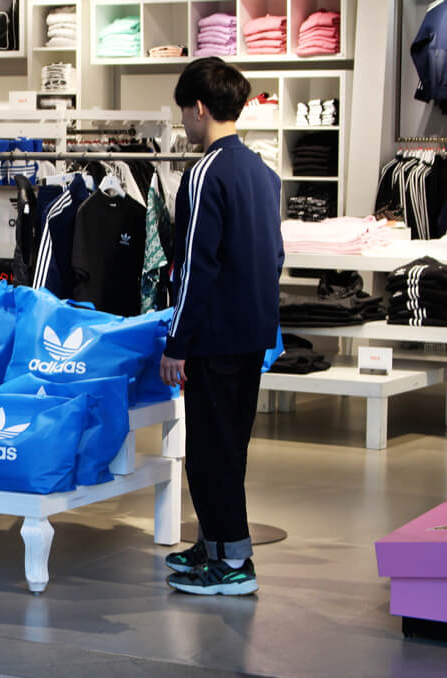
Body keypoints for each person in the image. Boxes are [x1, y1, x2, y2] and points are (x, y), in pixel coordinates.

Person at [159, 57, 284, 596]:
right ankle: (215, 544)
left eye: (183, 111)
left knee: (211, 450)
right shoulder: (263, 173)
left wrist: (176, 342)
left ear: (199, 108)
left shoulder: (204, 172)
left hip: (213, 337)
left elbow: (194, 267)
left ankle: (232, 561)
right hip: (252, 333)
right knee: (228, 445)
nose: (183, 122)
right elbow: (274, 256)